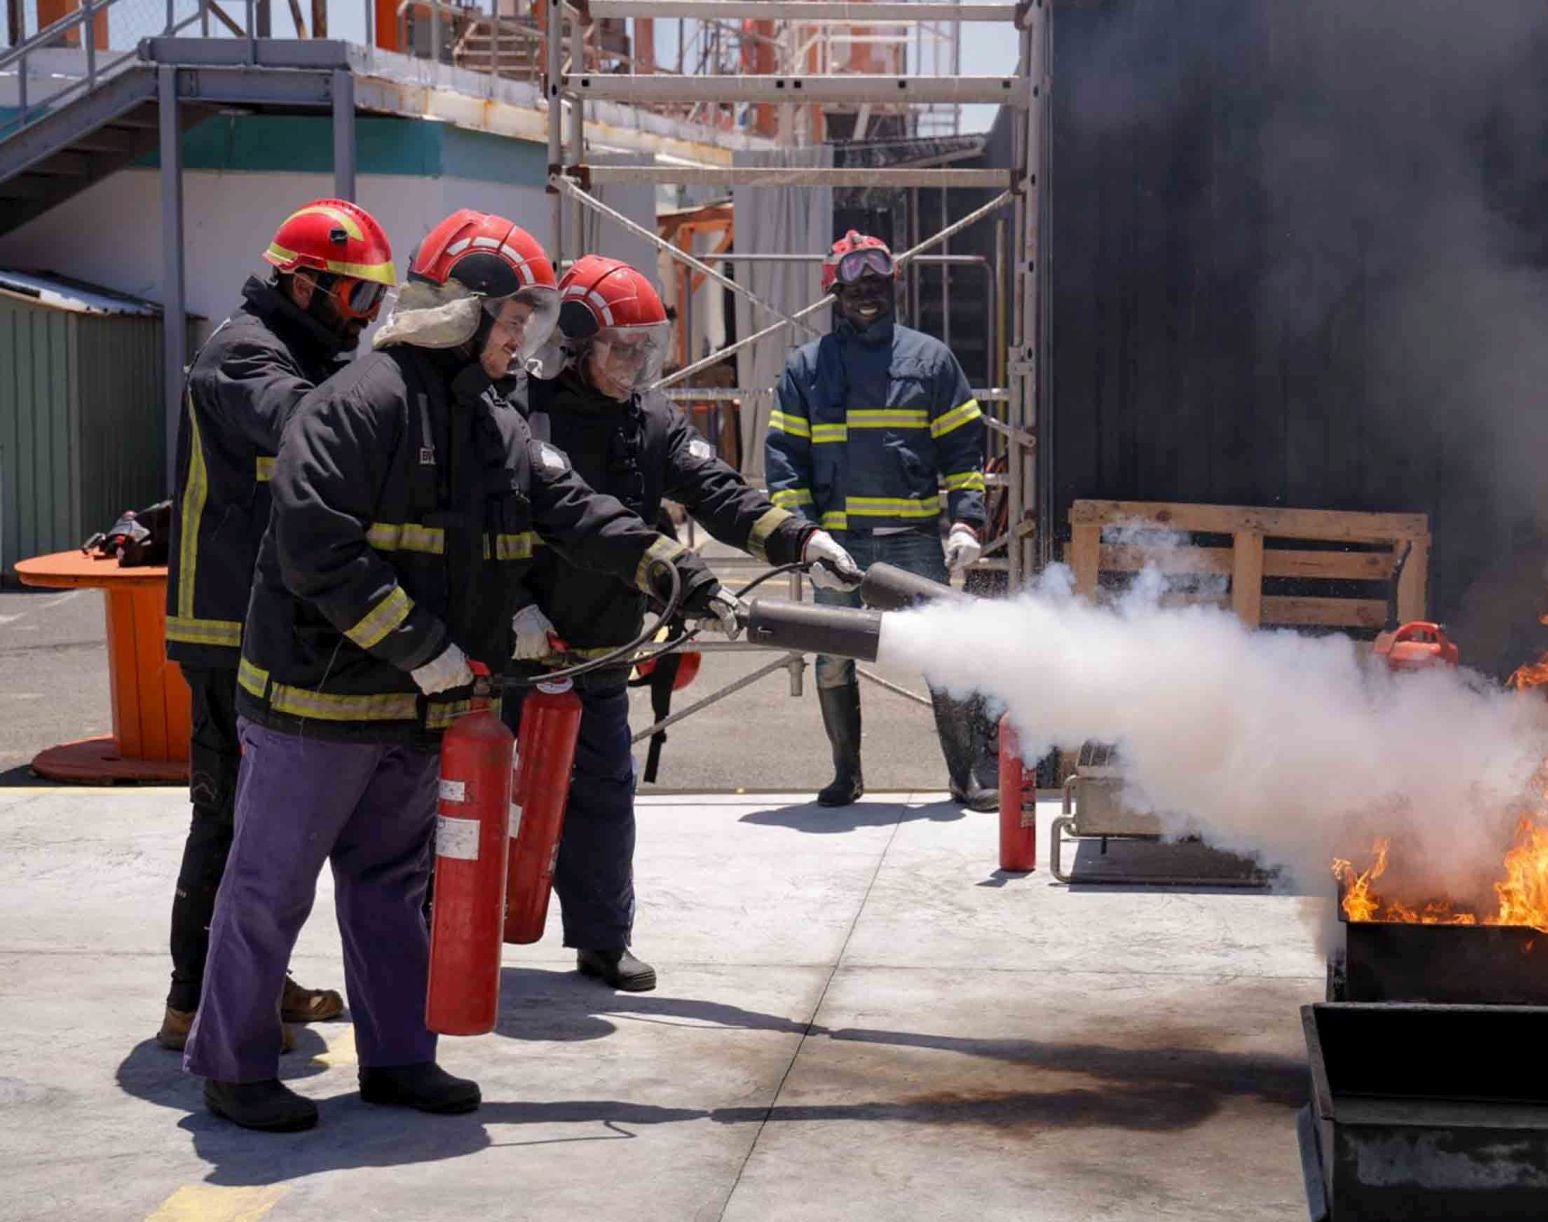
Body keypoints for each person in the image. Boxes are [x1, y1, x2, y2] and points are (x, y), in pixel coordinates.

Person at [183, 211, 747, 1133]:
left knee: (391, 888)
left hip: (412, 706)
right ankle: (233, 1063)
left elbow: (568, 504)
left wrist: (663, 564)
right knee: (269, 885)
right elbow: (315, 549)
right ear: (459, 309)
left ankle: (401, 1055)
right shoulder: (360, 402)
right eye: (512, 320)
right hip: (314, 704)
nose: (523, 341)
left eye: (530, 323)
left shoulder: (491, 419)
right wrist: (424, 648)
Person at [506, 254, 860, 992]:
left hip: (600, 647)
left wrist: (799, 538)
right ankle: (450, 930)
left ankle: (603, 938)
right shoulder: (516, 412)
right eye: (620, 349)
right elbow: (479, 523)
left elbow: (717, 491)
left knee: (604, 794)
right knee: (481, 798)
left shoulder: (651, 422)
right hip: (511, 650)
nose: (635, 365)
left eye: (647, 349)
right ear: (573, 344)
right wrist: (509, 606)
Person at [159, 199, 397, 1052]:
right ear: (302, 283)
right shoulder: (247, 355)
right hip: (225, 627)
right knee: (227, 819)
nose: (365, 321)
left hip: (270, 617)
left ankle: (258, 975)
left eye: (378, 304)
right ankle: (192, 1000)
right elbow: (309, 429)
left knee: (276, 825)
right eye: (357, 300)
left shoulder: (298, 346)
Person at [765, 230, 998, 811]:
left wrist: (967, 524)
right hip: (839, 545)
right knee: (832, 660)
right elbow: (785, 463)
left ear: (893, 284)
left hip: (914, 543)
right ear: (832, 292)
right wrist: (805, 537)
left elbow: (963, 456)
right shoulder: (806, 369)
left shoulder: (931, 360)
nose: (867, 290)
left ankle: (964, 776)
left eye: (877, 278)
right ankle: (847, 775)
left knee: (946, 659)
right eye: (854, 279)